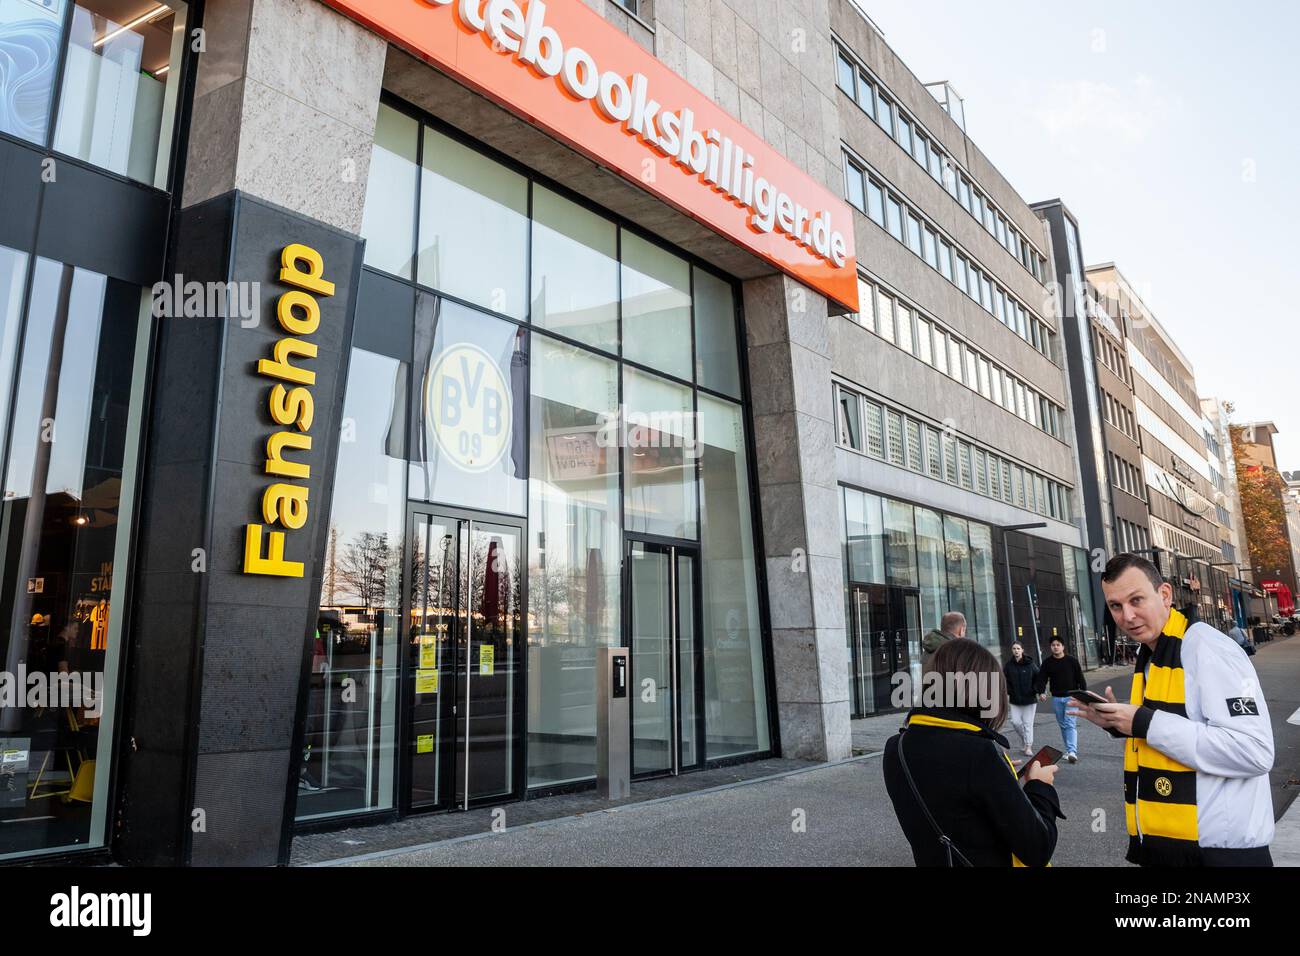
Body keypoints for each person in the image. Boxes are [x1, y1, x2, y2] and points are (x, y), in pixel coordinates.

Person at [1071, 553, 1275, 867]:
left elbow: (1254, 751)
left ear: (1165, 594)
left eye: (1136, 600)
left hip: (1220, 857)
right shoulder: (1154, 655)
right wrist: (1122, 721)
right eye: (1116, 606)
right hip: (1173, 851)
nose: (1127, 616)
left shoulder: (1207, 648)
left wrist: (1144, 722)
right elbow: (1178, 724)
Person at [883, 639, 1064, 867]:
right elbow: (1038, 848)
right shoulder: (979, 753)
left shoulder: (895, 748)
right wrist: (1040, 786)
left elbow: (952, 796)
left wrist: (1001, 777)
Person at [1034, 637, 1084, 763]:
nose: (1055, 647)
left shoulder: (1072, 661)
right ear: (1050, 647)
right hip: (1056, 698)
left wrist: (1083, 695)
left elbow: (1080, 678)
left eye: (1058, 644)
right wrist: (1041, 692)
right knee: (1063, 725)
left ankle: (1072, 751)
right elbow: (1042, 678)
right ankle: (1068, 750)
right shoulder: (1047, 663)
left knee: (1070, 723)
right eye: (1053, 645)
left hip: (1071, 697)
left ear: (1063, 646)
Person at [1003, 641, 1039, 756]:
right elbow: (1004, 680)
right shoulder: (1009, 666)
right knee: (1016, 722)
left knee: (1028, 723)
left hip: (1029, 700)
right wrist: (1009, 691)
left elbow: (1039, 678)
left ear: (1022, 650)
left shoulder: (1030, 664)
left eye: (1018, 648)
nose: (1016, 651)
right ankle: (1025, 739)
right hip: (1015, 700)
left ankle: (1028, 746)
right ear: (1012, 651)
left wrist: (1036, 690)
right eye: (1014, 648)